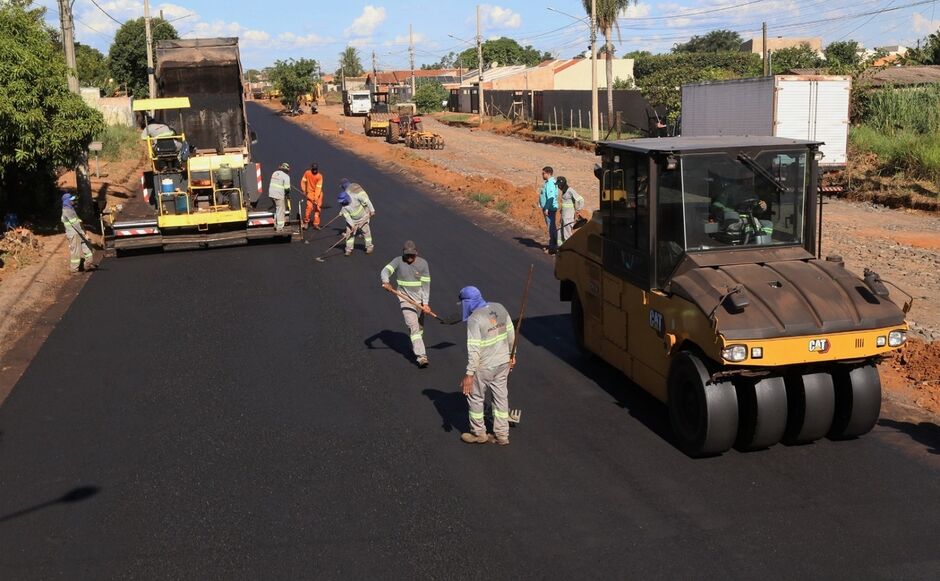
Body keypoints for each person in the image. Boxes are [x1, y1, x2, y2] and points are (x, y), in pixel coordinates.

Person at [458, 286, 515, 446]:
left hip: (484, 366)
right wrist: (512, 355)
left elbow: (474, 349)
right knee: (501, 398)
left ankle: (478, 434)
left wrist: (469, 374)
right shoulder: (499, 307)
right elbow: (511, 334)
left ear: (468, 302)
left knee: (475, 397)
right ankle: (502, 435)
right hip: (503, 362)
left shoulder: (475, 318)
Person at [381, 241, 432, 368]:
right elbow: (385, 271)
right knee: (413, 326)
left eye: (412, 254)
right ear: (403, 253)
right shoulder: (398, 261)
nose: (409, 257)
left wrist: (425, 304)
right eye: (407, 254)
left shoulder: (423, 263)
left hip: (420, 301)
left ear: (417, 253)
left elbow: (426, 285)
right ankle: (421, 356)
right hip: (405, 299)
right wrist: (386, 281)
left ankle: (414, 346)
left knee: (419, 328)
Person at [60, 193, 94, 273]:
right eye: (72, 200)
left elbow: (78, 222)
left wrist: (83, 232)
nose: (74, 201)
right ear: (67, 201)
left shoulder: (71, 209)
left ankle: (88, 264)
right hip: (74, 234)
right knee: (75, 252)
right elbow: (75, 224)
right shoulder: (67, 211)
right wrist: (84, 234)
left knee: (87, 248)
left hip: (79, 233)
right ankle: (74, 270)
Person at [337, 187, 374, 255]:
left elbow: (367, 201)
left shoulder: (355, 196)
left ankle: (369, 247)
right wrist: (352, 225)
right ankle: (348, 249)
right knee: (349, 235)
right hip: (352, 221)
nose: (342, 203)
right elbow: (347, 217)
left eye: (342, 202)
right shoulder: (344, 208)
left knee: (366, 232)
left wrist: (372, 210)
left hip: (363, 218)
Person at [555, 176, 585, 246]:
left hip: (568, 218)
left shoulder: (570, 190)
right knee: (559, 233)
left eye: (559, 185)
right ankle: (560, 248)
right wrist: (562, 209)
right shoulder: (564, 191)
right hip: (563, 217)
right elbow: (567, 203)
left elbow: (581, 200)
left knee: (567, 235)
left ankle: (569, 248)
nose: (558, 187)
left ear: (563, 184)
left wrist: (578, 210)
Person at [538, 166, 559, 254]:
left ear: (548, 173)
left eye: (543, 173)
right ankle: (553, 246)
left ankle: (553, 248)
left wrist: (546, 208)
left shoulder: (550, 183)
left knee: (551, 228)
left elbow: (550, 198)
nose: (542, 175)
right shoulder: (548, 182)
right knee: (552, 227)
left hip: (549, 209)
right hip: (548, 208)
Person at [300, 162, 324, 229]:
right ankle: (306, 222)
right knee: (309, 208)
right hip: (310, 194)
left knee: (317, 209)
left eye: (316, 169)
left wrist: (316, 198)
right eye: (313, 169)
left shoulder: (319, 176)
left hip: (318, 194)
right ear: (311, 168)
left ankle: (316, 224)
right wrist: (304, 190)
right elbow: (303, 181)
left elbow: (318, 188)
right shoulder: (307, 173)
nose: (315, 171)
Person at [269, 162, 291, 231]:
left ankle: (275, 224)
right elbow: (287, 189)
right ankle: (280, 228)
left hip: (271, 194)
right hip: (278, 195)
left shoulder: (275, 173)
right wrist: (287, 194)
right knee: (281, 210)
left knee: (277, 209)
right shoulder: (286, 176)